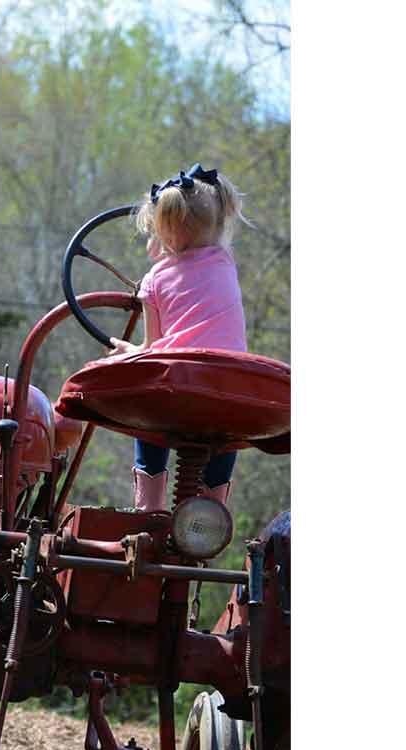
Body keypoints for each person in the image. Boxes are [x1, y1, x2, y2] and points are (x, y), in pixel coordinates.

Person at [110, 162, 250, 512]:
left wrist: (130, 352)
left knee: (148, 415)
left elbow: (152, 346)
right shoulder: (225, 260)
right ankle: (210, 513)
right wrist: (172, 243)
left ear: (165, 234)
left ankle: (149, 509)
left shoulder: (153, 282)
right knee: (226, 432)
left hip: (178, 386)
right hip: (230, 386)